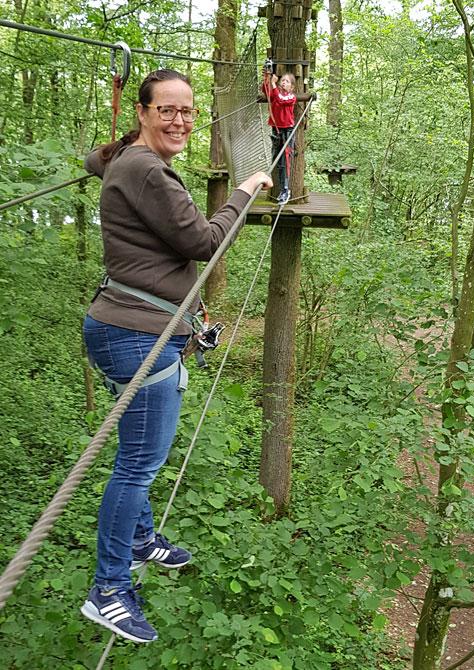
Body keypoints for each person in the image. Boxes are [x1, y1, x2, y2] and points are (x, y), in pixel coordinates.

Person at [80, 69, 272, 643]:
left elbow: (97, 160)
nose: (182, 120)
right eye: (167, 110)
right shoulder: (145, 170)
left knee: (137, 453)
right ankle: (109, 588)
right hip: (137, 335)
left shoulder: (125, 160)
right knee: (137, 466)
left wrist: (112, 149)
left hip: (124, 326)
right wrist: (246, 189)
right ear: (142, 111)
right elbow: (204, 244)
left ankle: (139, 540)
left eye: (188, 110)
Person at [261, 68, 308, 205]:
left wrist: (274, 84)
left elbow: (281, 100)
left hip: (287, 131)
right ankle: (278, 187)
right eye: (282, 81)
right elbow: (266, 90)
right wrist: (267, 77)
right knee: (275, 159)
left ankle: (285, 190)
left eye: (286, 82)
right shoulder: (275, 95)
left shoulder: (290, 97)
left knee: (284, 162)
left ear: (292, 87)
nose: (283, 83)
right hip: (276, 130)